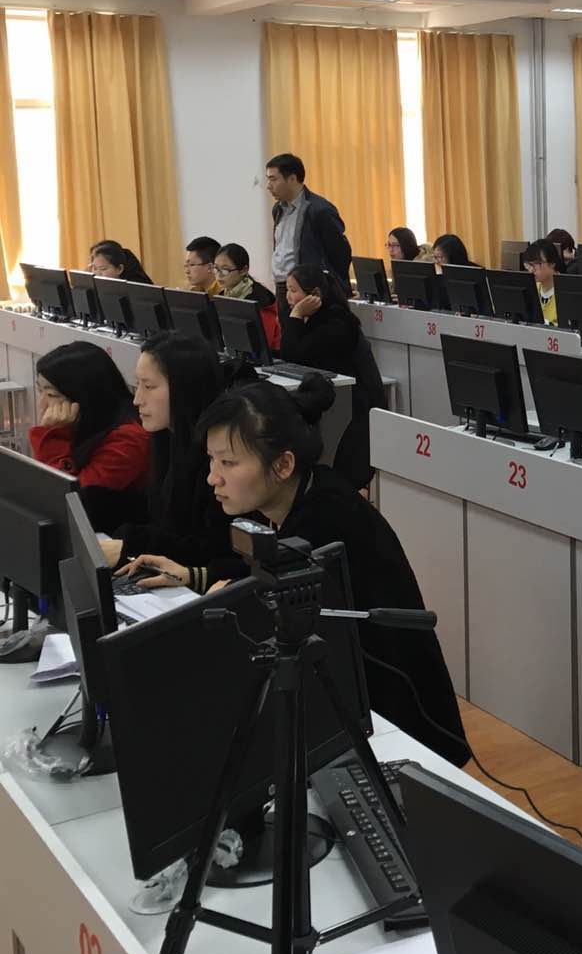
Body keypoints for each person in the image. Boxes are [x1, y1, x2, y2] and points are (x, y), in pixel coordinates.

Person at [124, 376, 470, 765]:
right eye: (211, 459)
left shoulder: (326, 518)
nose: (212, 477)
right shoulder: (290, 498)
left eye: (228, 463)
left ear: (283, 464)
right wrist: (195, 575)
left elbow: (285, 614)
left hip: (396, 726)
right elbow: (257, 576)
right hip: (346, 704)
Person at [106, 332, 235, 591]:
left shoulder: (219, 456)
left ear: (185, 388)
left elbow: (213, 549)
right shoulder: (166, 438)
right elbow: (161, 518)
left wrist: (132, 543)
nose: (137, 399)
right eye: (137, 385)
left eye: (149, 386)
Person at [282, 264, 384, 490]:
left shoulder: (337, 323)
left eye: (293, 290)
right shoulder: (315, 317)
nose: (288, 296)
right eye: (287, 290)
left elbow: (294, 355)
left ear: (315, 294)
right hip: (335, 399)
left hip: (355, 407)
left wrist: (295, 315)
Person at [28, 342, 149, 531]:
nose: (42, 405)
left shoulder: (128, 440)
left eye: (51, 394)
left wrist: (53, 438)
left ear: (83, 396)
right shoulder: (81, 426)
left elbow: (70, 503)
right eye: (40, 391)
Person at [266, 152, 352, 306]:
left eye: (273, 179)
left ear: (292, 179)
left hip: (309, 290)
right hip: (283, 287)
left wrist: (325, 284)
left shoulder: (319, 210)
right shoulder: (277, 209)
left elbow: (340, 254)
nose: (268, 186)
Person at [213, 243, 281, 351]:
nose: (219, 275)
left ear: (244, 270)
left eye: (225, 270)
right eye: (216, 268)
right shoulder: (222, 296)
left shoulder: (261, 299)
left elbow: (263, 343)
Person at [522, 239, 563, 325]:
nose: (531, 269)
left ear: (552, 263)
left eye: (537, 264)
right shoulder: (531, 288)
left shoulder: (565, 292)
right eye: (529, 264)